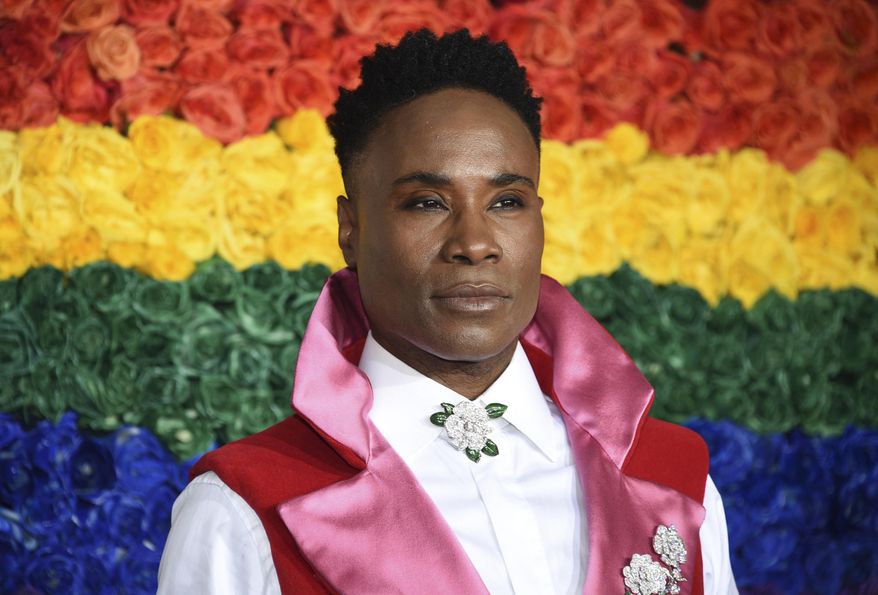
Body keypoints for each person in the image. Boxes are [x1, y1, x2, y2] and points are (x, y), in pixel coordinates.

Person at [157, 29, 737, 595]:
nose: (474, 241)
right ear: (350, 229)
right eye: (427, 202)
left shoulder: (674, 481)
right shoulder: (245, 510)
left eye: (507, 201)